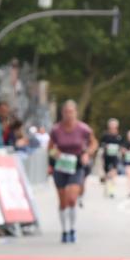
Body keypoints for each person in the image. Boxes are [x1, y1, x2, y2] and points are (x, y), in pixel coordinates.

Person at [48, 100, 97, 243]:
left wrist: (87, 153)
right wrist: (54, 153)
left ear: (76, 112)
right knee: (62, 201)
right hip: (61, 165)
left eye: (71, 112)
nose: (69, 115)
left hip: (76, 165)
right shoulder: (56, 129)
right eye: (66, 112)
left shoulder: (83, 129)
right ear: (62, 113)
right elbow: (50, 147)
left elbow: (94, 143)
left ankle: (73, 229)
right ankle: (64, 230)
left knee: (71, 198)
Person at [99, 118, 123, 199]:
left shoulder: (119, 136)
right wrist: (106, 146)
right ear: (109, 126)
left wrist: (121, 149)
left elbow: (122, 147)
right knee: (107, 174)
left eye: (114, 125)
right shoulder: (105, 136)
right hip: (106, 157)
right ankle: (106, 187)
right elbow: (101, 145)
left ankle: (112, 191)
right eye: (111, 125)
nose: (113, 127)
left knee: (113, 173)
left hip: (115, 157)